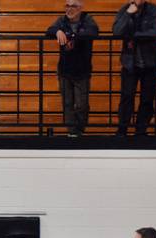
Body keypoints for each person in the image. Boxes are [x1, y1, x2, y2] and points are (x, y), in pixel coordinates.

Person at [46, 0, 99, 137]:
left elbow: (93, 32)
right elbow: (49, 30)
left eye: (73, 6)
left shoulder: (88, 20)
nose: (69, 9)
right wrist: (57, 31)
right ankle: (71, 132)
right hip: (65, 69)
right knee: (67, 102)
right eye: (67, 6)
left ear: (80, 8)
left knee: (82, 104)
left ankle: (80, 129)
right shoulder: (62, 21)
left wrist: (71, 36)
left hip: (82, 69)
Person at [113, 0, 156, 136]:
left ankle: (141, 131)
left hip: (151, 62)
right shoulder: (125, 9)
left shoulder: (153, 10)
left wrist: (134, 36)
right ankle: (122, 129)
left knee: (147, 99)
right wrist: (127, 14)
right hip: (130, 63)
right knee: (126, 97)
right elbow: (117, 31)